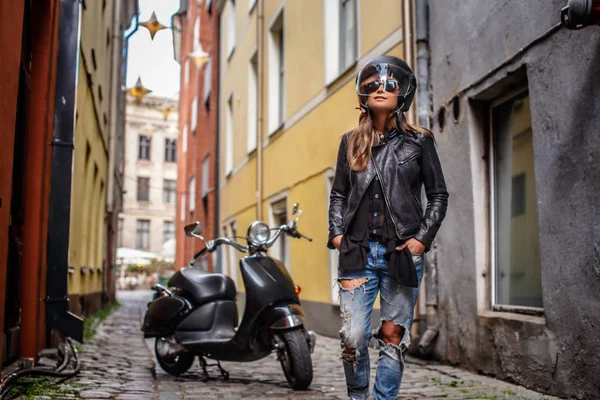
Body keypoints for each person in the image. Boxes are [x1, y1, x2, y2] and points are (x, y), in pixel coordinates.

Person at [327, 55, 448, 400]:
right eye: (373, 85)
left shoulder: (419, 141)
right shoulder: (350, 141)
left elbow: (438, 195)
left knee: (393, 338)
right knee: (353, 337)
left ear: (403, 93)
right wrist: (337, 234)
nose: (380, 89)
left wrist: (421, 240)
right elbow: (338, 194)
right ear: (363, 95)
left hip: (401, 254)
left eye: (389, 84)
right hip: (357, 253)